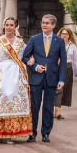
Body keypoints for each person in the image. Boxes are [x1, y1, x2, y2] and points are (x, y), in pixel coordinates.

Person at [21, 13, 67, 143]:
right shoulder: (34, 39)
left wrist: (61, 80)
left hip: (52, 78)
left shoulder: (59, 41)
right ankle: (32, 133)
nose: (44, 25)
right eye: (43, 22)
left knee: (48, 108)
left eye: (47, 23)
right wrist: (35, 66)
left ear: (53, 25)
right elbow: (25, 57)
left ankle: (46, 133)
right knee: (34, 107)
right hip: (36, 78)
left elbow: (63, 61)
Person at [55, 26, 77, 120]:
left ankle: (57, 109)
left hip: (68, 67)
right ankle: (58, 112)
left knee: (64, 90)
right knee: (58, 89)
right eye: (62, 33)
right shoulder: (56, 44)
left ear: (69, 35)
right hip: (57, 67)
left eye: (66, 34)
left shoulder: (72, 46)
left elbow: (76, 60)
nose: (64, 35)